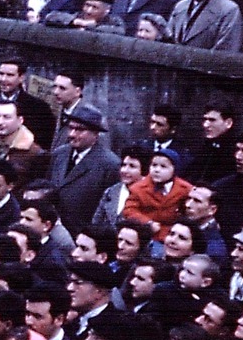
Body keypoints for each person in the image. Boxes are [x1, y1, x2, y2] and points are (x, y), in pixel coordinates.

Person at [46, 103, 122, 231]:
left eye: (79, 130)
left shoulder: (110, 164)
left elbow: (108, 208)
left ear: (95, 134)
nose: (72, 134)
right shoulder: (59, 154)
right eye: (71, 128)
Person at [125, 149, 194, 241]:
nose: (157, 170)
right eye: (154, 165)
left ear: (174, 169)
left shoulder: (185, 189)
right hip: (145, 234)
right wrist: (147, 222)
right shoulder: (138, 188)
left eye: (163, 166)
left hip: (172, 235)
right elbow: (129, 210)